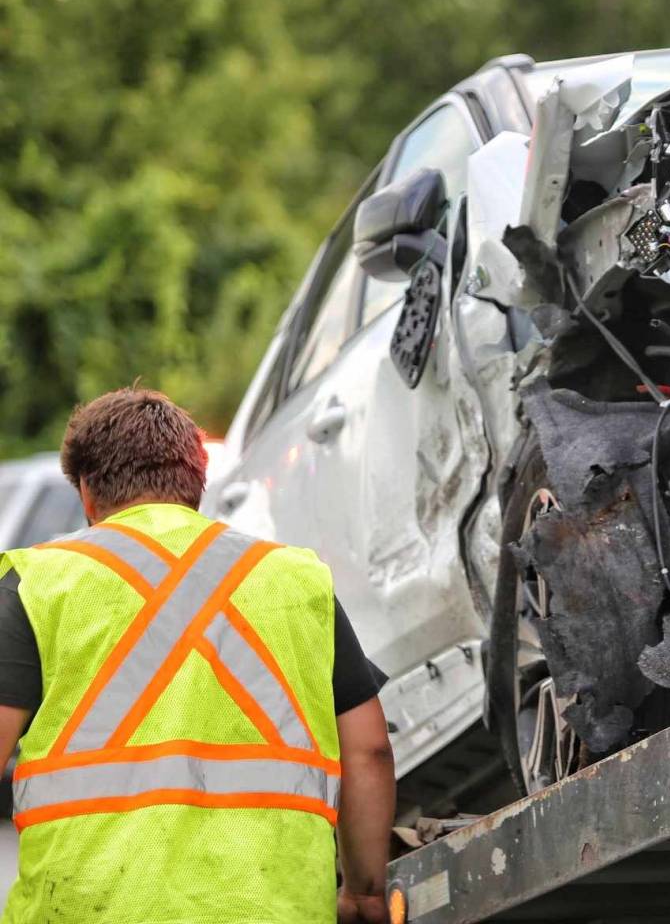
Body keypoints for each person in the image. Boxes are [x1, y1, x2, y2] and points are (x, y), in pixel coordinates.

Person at [0, 387, 395, 923]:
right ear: (197, 486)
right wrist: (365, 895)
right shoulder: (294, 580)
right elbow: (368, 751)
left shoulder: (38, 583)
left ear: (88, 493)